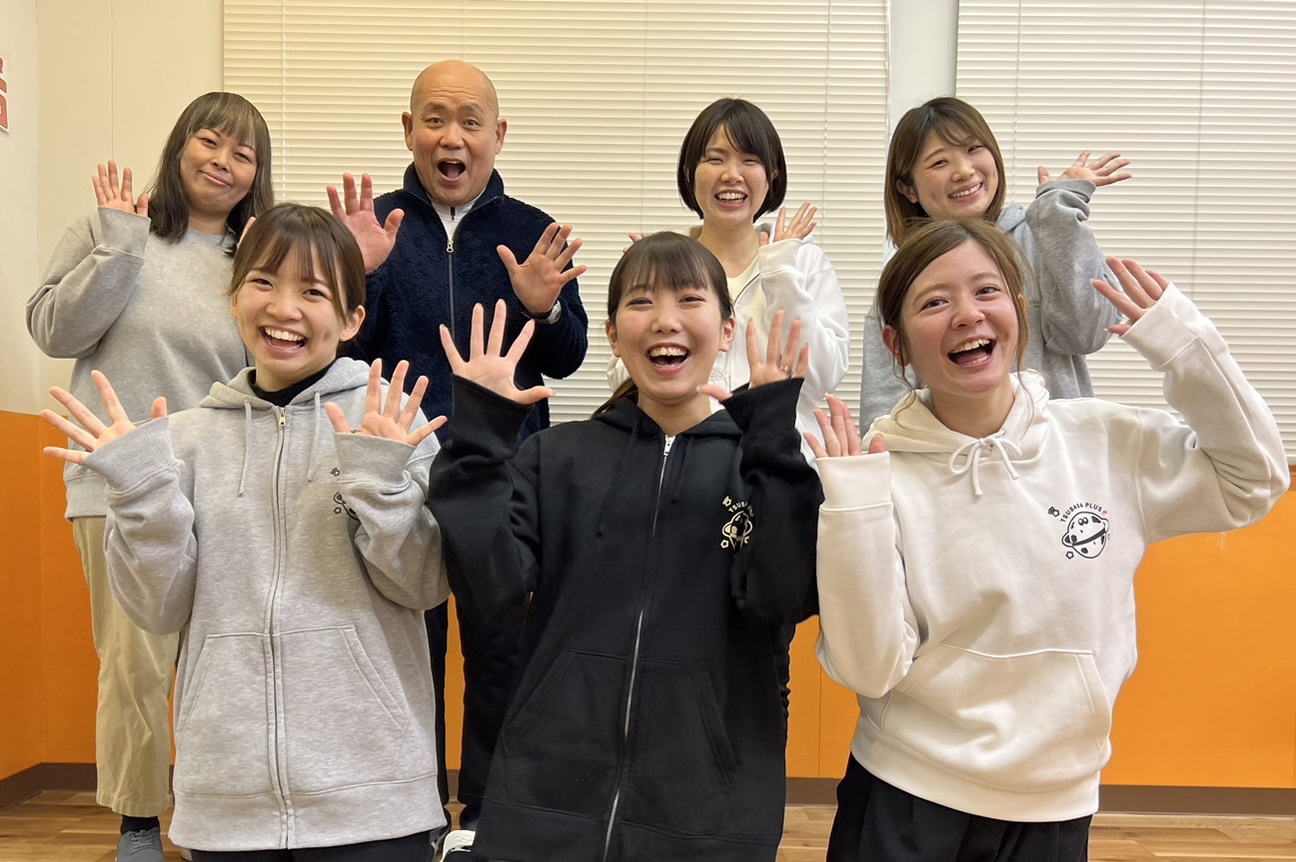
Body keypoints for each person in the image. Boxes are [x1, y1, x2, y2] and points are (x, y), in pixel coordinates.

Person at [811, 218, 1288, 862]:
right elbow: (868, 668)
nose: (968, 314)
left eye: (987, 290)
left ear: (1020, 311)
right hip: (908, 792)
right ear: (896, 343)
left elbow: (1253, 480)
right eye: (935, 301)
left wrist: (1186, 348)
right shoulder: (874, 473)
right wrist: (854, 509)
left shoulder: (1105, 440)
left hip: (1058, 801)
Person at [39, 204, 451, 861]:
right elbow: (156, 608)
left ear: (351, 319)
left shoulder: (390, 422)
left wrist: (380, 484)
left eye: (313, 291)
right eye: (263, 282)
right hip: (226, 802)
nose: (284, 307)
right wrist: (140, 495)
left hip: (375, 799)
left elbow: (423, 586)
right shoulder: (184, 439)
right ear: (233, 299)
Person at [427, 233, 822, 862]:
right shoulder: (555, 459)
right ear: (613, 336)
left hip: (711, 817)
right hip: (546, 802)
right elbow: (489, 592)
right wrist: (478, 438)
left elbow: (782, 598)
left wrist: (773, 445)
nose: (665, 319)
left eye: (689, 299)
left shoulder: (757, 470)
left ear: (726, 330)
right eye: (641, 302)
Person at [327, 58, 589, 858]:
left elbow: (570, 356)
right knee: (408, 646)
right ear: (409, 130)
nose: (453, 137)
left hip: (506, 475)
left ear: (497, 135)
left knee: (501, 647)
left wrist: (544, 311)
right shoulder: (373, 227)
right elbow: (337, 356)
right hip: (396, 470)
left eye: (470, 121)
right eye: (435, 119)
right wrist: (357, 277)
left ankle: (487, 808)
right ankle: (413, 807)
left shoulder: (533, 231)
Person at [27, 91, 273, 862]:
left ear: (258, 173)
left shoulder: (256, 256)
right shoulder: (113, 228)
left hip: (222, 485)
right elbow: (54, 330)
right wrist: (120, 247)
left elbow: (278, 367)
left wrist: (276, 272)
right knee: (135, 665)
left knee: (227, 660)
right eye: (210, 141)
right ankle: (138, 821)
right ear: (180, 146)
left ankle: (217, 816)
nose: (223, 162)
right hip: (117, 483)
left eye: (243, 154)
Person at [857, 96, 1131, 425]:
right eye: (939, 162)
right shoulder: (905, 273)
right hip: (953, 452)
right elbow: (885, 404)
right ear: (908, 189)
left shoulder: (1042, 233)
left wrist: (1059, 213)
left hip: (1055, 447)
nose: (963, 171)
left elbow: (1088, 334)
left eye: (974, 148)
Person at [610, 97, 850, 453]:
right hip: (681, 455)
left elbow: (821, 377)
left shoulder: (804, 262)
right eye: (715, 159)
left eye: (749, 160)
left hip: (778, 455)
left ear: (772, 175)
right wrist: (648, 298)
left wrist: (780, 272)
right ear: (690, 172)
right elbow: (623, 382)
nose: (732, 175)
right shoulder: (659, 265)